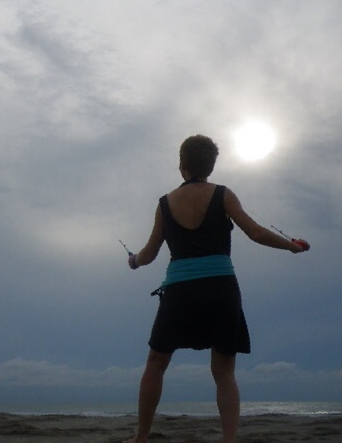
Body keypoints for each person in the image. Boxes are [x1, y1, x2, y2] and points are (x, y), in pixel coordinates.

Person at [122, 135, 310, 443]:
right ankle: (229, 440)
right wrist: (291, 246)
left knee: (156, 362)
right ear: (211, 166)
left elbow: (149, 254)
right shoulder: (223, 194)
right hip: (221, 289)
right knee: (223, 372)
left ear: (181, 165)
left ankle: (141, 437)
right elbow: (256, 232)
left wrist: (133, 261)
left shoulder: (165, 203)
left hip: (180, 291)